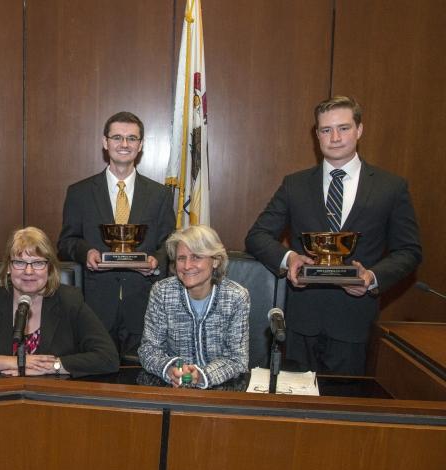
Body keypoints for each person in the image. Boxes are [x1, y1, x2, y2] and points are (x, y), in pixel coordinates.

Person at [246, 96, 422, 375]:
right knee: (295, 412)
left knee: (347, 410)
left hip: (355, 324)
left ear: (359, 130)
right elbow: (257, 236)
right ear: (317, 135)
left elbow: (409, 251)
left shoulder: (391, 187)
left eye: (344, 128)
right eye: (326, 130)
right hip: (301, 325)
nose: (335, 137)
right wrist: (289, 258)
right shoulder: (295, 185)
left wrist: (372, 277)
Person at [57, 111, 175, 361]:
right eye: (117, 137)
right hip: (95, 304)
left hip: (143, 303)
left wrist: (155, 261)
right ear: (105, 142)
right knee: (97, 381)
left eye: (132, 138)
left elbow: (169, 244)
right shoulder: (79, 192)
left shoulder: (160, 195)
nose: (124, 144)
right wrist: (85, 252)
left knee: (141, 383)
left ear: (141, 145)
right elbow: (66, 242)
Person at [0, 227, 118, 377]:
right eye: (20, 262)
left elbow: (108, 357)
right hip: (0, 402)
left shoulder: (70, 301)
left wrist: (52, 366)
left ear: (50, 268)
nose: (29, 271)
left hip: (54, 404)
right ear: (8, 267)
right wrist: (13, 362)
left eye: (38, 263)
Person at [138, 226, 249, 388]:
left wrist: (202, 375)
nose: (187, 266)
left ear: (216, 261)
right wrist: (170, 369)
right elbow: (148, 350)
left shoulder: (236, 296)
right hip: (172, 389)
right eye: (181, 258)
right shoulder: (162, 292)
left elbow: (237, 359)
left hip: (220, 392)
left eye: (196, 257)